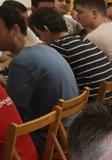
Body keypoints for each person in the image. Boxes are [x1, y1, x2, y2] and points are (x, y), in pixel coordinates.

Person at [0, 5, 78, 150]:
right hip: (69, 129)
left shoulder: (23, 62)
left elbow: (13, 114)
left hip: (49, 138)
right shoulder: (45, 49)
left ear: (15, 29)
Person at [29, 8, 112, 103]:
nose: (40, 40)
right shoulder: (82, 39)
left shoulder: (58, 48)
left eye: (38, 34)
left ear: (45, 30)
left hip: (96, 107)